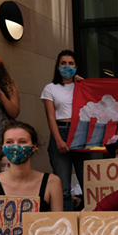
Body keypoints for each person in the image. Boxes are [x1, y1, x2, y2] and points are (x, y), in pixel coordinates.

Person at [41, 49, 89, 212]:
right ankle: (66, 224)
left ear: (76, 66)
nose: (67, 66)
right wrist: (59, 140)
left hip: (81, 132)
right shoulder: (50, 88)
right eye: (63, 63)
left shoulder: (83, 86)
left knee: (88, 183)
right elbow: (50, 117)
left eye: (70, 63)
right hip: (60, 131)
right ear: (57, 66)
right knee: (63, 187)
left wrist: (84, 84)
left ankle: (91, 220)